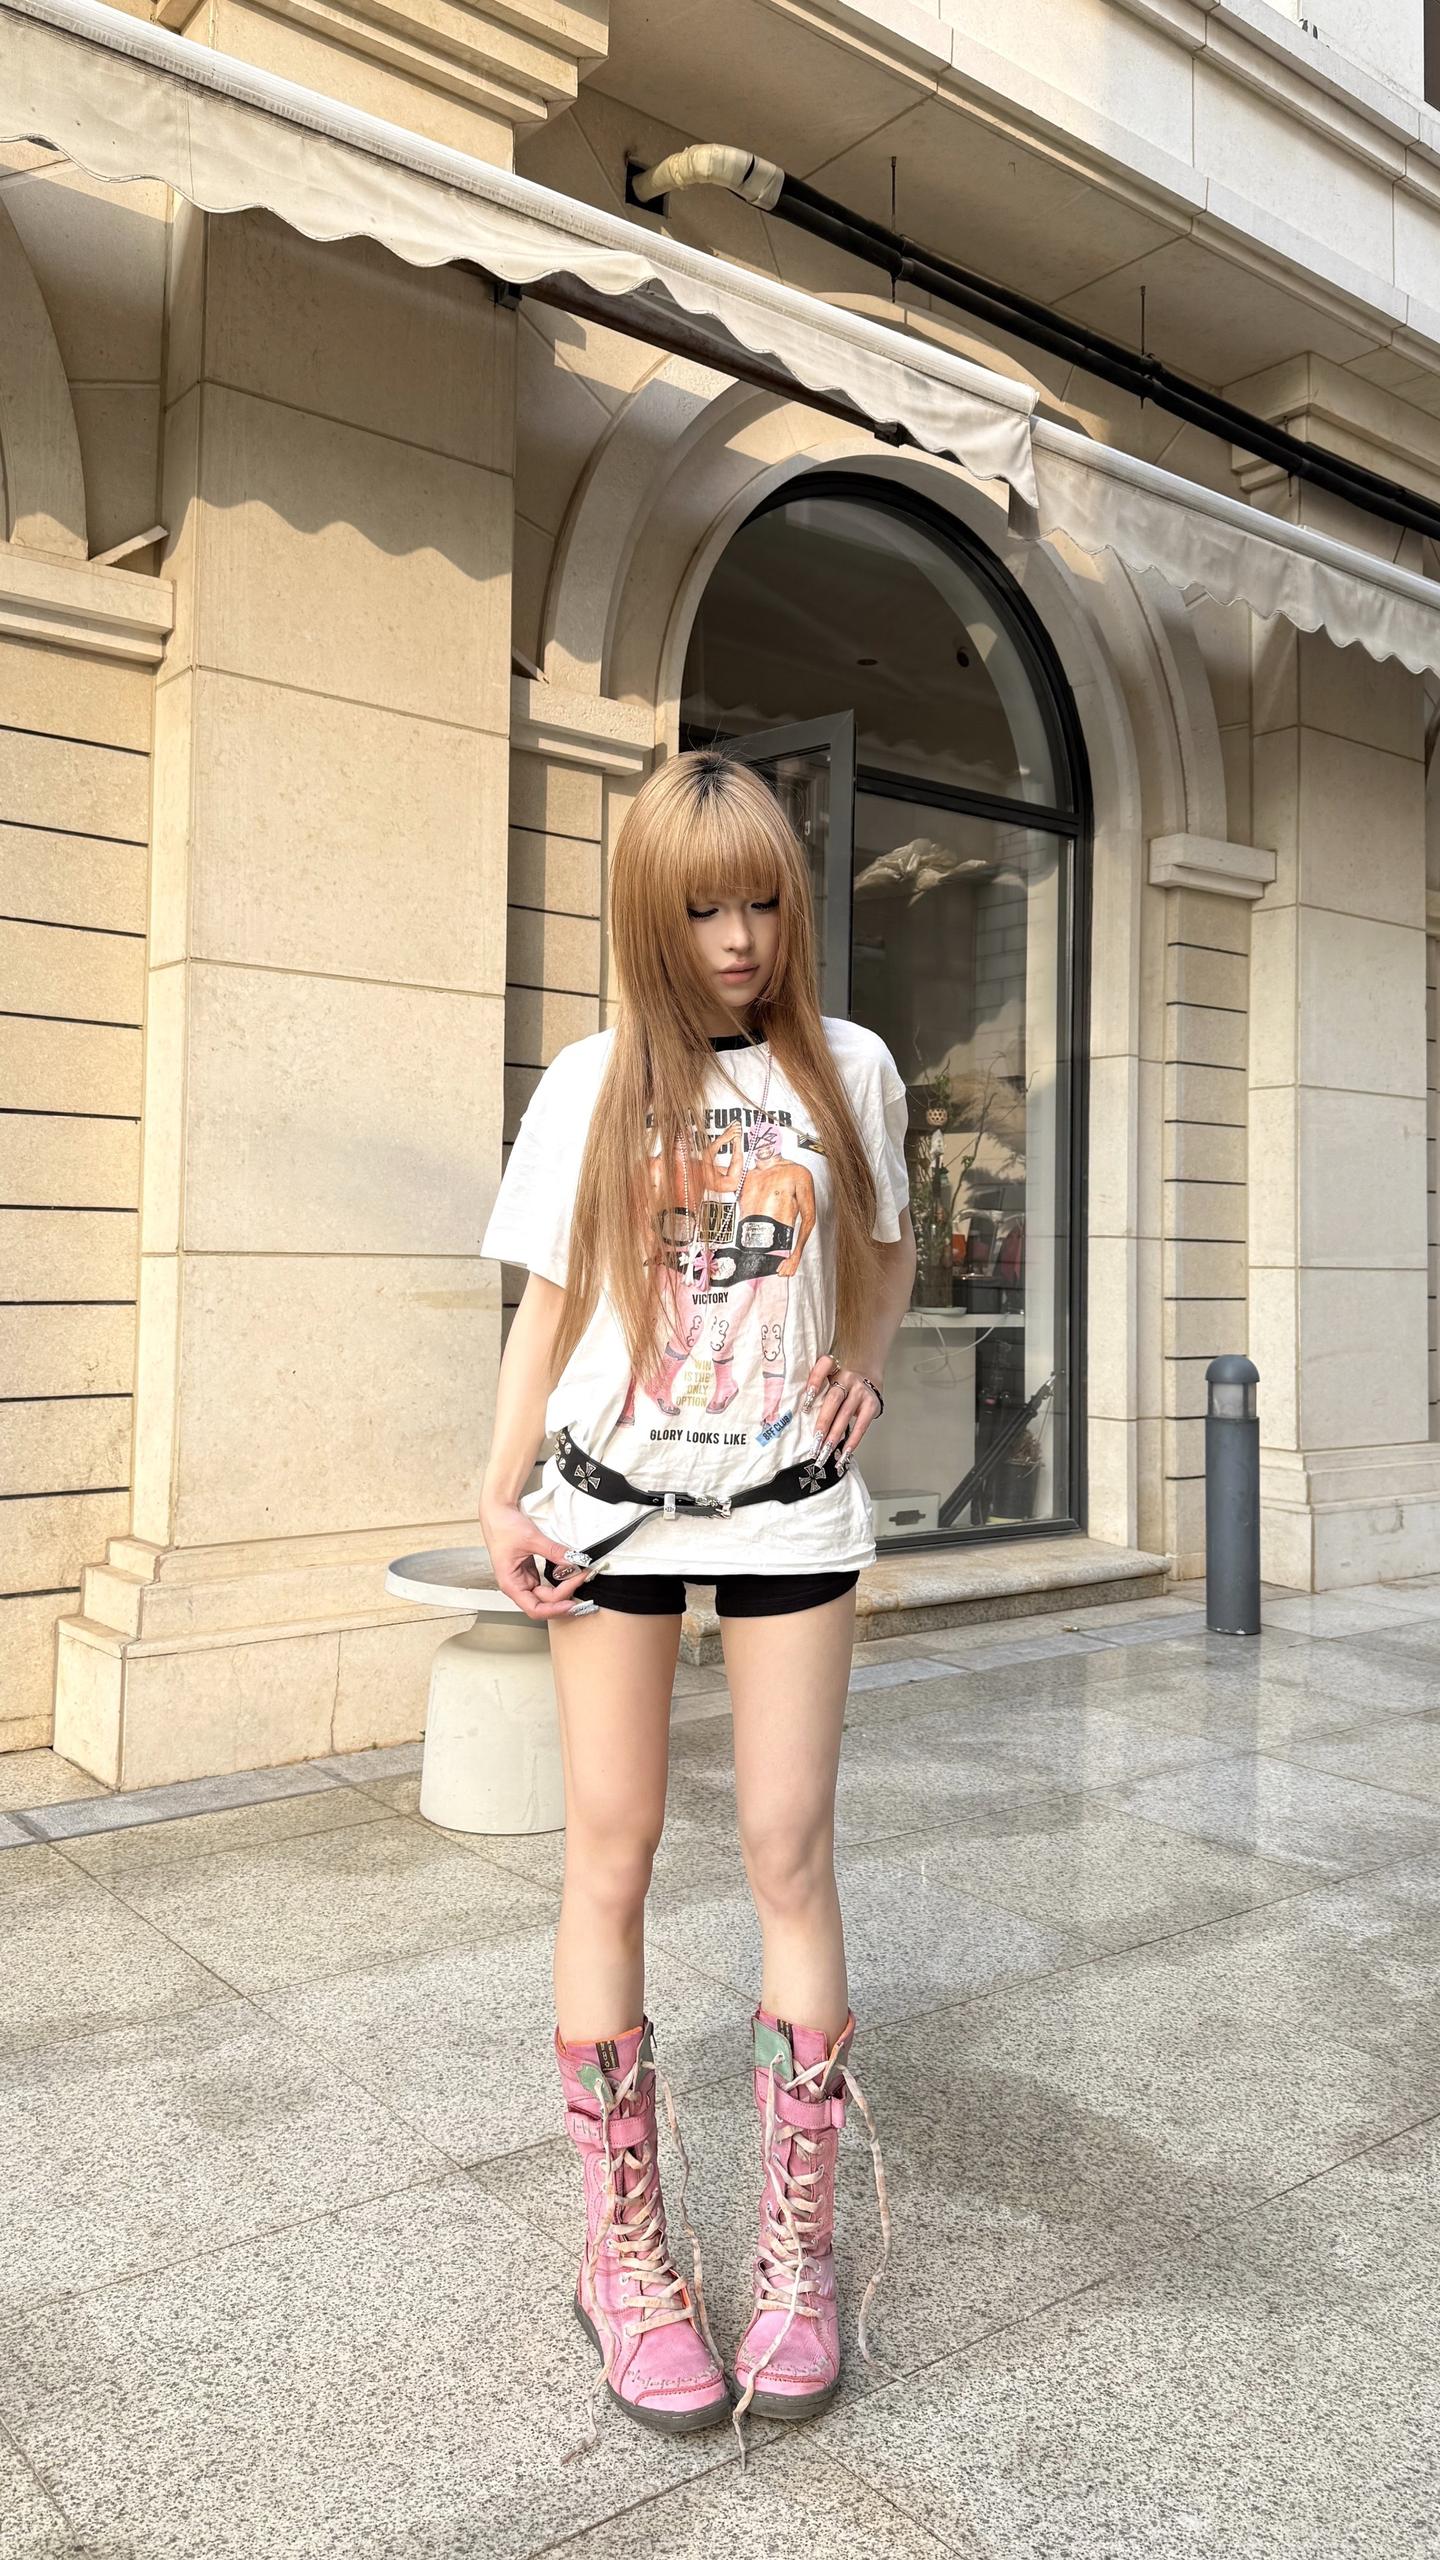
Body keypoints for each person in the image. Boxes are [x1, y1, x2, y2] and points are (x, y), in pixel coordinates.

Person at [478, 748, 917, 2450]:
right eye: (701, 909)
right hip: (610, 1511)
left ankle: (799, 2257)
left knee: (789, 1849)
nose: (736, 939)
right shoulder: (592, 1082)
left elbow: (885, 1243)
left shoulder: (849, 1068)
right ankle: (627, 2261)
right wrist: (497, 1486)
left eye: (761, 903)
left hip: (793, 1512)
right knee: (612, 1847)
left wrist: (864, 1357)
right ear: (648, 918)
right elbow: (548, 1303)